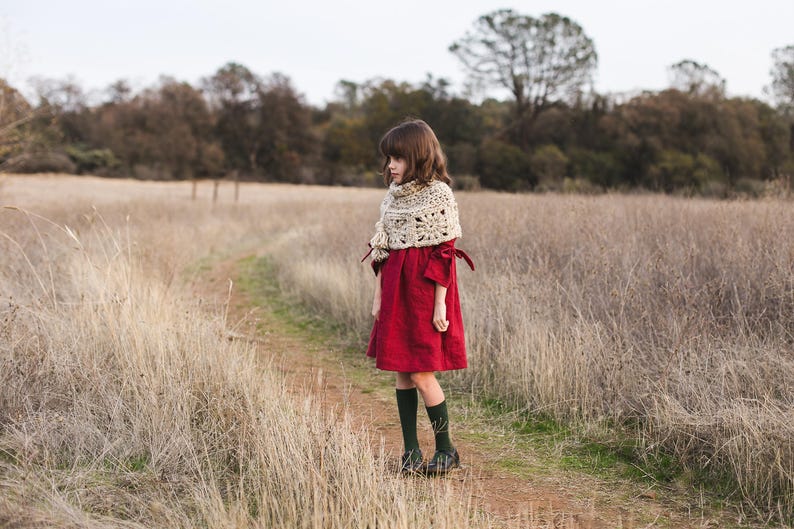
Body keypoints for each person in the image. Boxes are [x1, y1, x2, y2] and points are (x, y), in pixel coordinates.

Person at [362, 119, 474, 475]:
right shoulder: (390, 200)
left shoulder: (439, 195)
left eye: (397, 158)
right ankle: (410, 452)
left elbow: (445, 252)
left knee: (423, 373)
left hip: (425, 294)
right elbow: (383, 253)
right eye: (388, 159)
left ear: (417, 156)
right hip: (396, 291)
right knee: (402, 371)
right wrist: (378, 296)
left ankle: (446, 449)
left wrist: (441, 302)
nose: (390, 165)